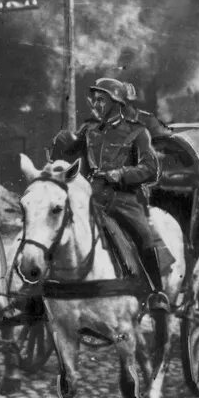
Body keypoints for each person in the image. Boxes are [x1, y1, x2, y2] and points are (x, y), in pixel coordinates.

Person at [50, 77, 174, 308]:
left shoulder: (137, 132)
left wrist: (121, 173)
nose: (95, 105)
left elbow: (151, 170)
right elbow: (69, 152)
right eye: (94, 100)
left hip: (123, 199)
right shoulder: (89, 129)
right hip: (90, 196)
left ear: (116, 103)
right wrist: (63, 142)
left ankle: (156, 292)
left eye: (101, 100)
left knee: (144, 237)